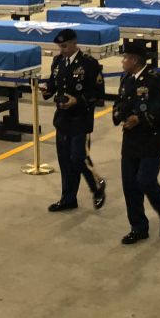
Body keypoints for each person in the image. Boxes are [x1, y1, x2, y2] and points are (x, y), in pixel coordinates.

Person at [112, 42, 160, 244]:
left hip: (151, 140)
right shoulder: (126, 79)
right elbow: (120, 102)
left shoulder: (157, 80)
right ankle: (138, 227)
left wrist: (140, 118)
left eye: (125, 58)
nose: (123, 61)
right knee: (130, 185)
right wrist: (118, 115)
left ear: (135, 60)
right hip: (130, 140)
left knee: (146, 181)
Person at [43, 29, 106, 213]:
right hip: (62, 119)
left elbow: (98, 94)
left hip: (81, 119)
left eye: (64, 46)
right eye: (59, 47)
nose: (62, 50)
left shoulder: (89, 64)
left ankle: (97, 186)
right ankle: (68, 198)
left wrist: (77, 100)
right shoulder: (58, 62)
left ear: (74, 43)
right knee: (65, 161)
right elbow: (54, 85)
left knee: (78, 158)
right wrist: (46, 90)